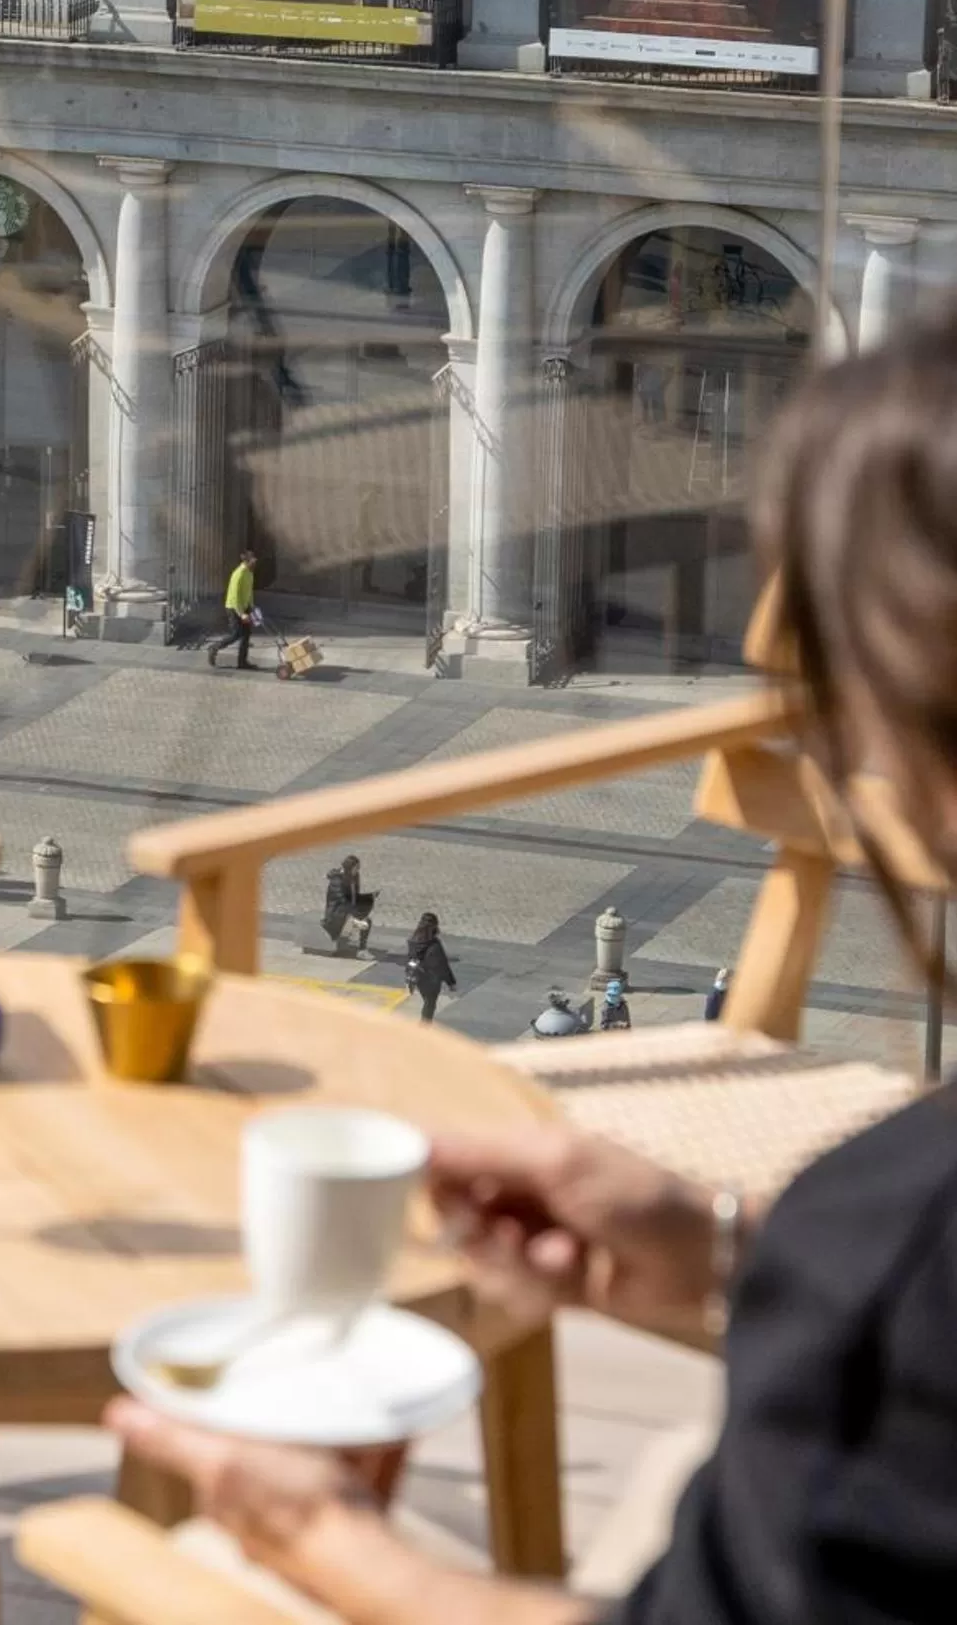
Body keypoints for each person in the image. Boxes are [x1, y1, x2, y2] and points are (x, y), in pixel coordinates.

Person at [109, 306, 957, 1625]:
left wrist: (327, 1545)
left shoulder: (895, 1245)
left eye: (833, 648)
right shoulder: (873, 1256)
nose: (763, 660)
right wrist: (726, 1256)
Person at [207, 550, 259, 671]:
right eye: (252, 561)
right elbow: (235, 596)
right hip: (233, 607)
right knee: (236, 634)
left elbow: (249, 591)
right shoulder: (239, 573)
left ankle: (242, 662)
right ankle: (214, 647)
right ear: (246, 561)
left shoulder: (250, 573)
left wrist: (252, 605)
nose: (254, 563)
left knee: (246, 634)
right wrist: (241, 614)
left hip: (244, 607)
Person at [404, 910, 456, 1022]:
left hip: (418, 977)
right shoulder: (434, 945)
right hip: (432, 979)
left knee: (427, 1001)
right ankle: (424, 1026)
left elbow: (410, 959)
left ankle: (424, 1023)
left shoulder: (413, 940)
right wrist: (451, 982)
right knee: (430, 1003)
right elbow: (442, 965)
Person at [321, 854, 374, 958]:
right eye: (356, 868)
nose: (358, 870)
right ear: (349, 868)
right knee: (365, 922)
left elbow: (354, 896)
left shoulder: (354, 876)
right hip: (337, 914)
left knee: (367, 919)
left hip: (348, 910)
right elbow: (342, 900)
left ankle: (362, 949)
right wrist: (355, 915)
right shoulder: (337, 881)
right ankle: (362, 950)